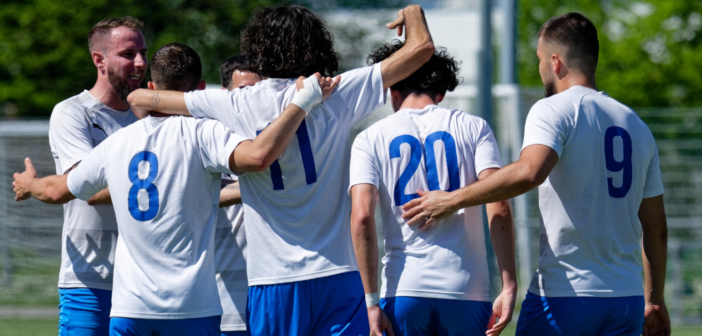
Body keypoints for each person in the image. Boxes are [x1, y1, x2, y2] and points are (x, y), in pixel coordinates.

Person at [126, 4, 435, 335]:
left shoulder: (233, 102)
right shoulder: (336, 92)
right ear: (316, 45)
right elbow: (421, 49)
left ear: (258, 48)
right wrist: (413, 11)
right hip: (337, 275)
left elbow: (141, 99)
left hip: (273, 280)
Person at [13, 42, 338, 335]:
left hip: (130, 309)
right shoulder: (204, 133)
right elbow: (257, 156)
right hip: (191, 307)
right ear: (197, 89)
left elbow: (57, 191)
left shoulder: (118, 144)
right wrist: (301, 102)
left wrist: (29, 185)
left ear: (153, 86)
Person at [401, 12, 670, 336]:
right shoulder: (637, 125)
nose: (541, 67)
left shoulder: (553, 108)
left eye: (540, 59)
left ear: (555, 62)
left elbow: (530, 172)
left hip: (566, 295)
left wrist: (451, 200)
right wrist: (654, 299)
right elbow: (656, 227)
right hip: (625, 300)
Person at [349, 41, 517, 336]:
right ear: (440, 92)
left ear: (393, 92)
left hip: (403, 289)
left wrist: (371, 301)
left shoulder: (369, 137)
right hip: (466, 290)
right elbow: (499, 203)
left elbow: (362, 216)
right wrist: (509, 283)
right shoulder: (474, 127)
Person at [48, 16, 147, 335]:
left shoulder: (150, 120)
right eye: (129, 54)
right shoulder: (72, 112)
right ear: (98, 59)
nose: (141, 62)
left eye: (143, 52)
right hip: (89, 281)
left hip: (145, 282)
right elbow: (86, 188)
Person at [215, 54, 263, 336]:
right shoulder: (211, 138)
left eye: (256, 91)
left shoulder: (280, 138)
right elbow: (205, 194)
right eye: (242, 91)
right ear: (224, 95)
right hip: (225, 298)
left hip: (274, 293)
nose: (250, 99)